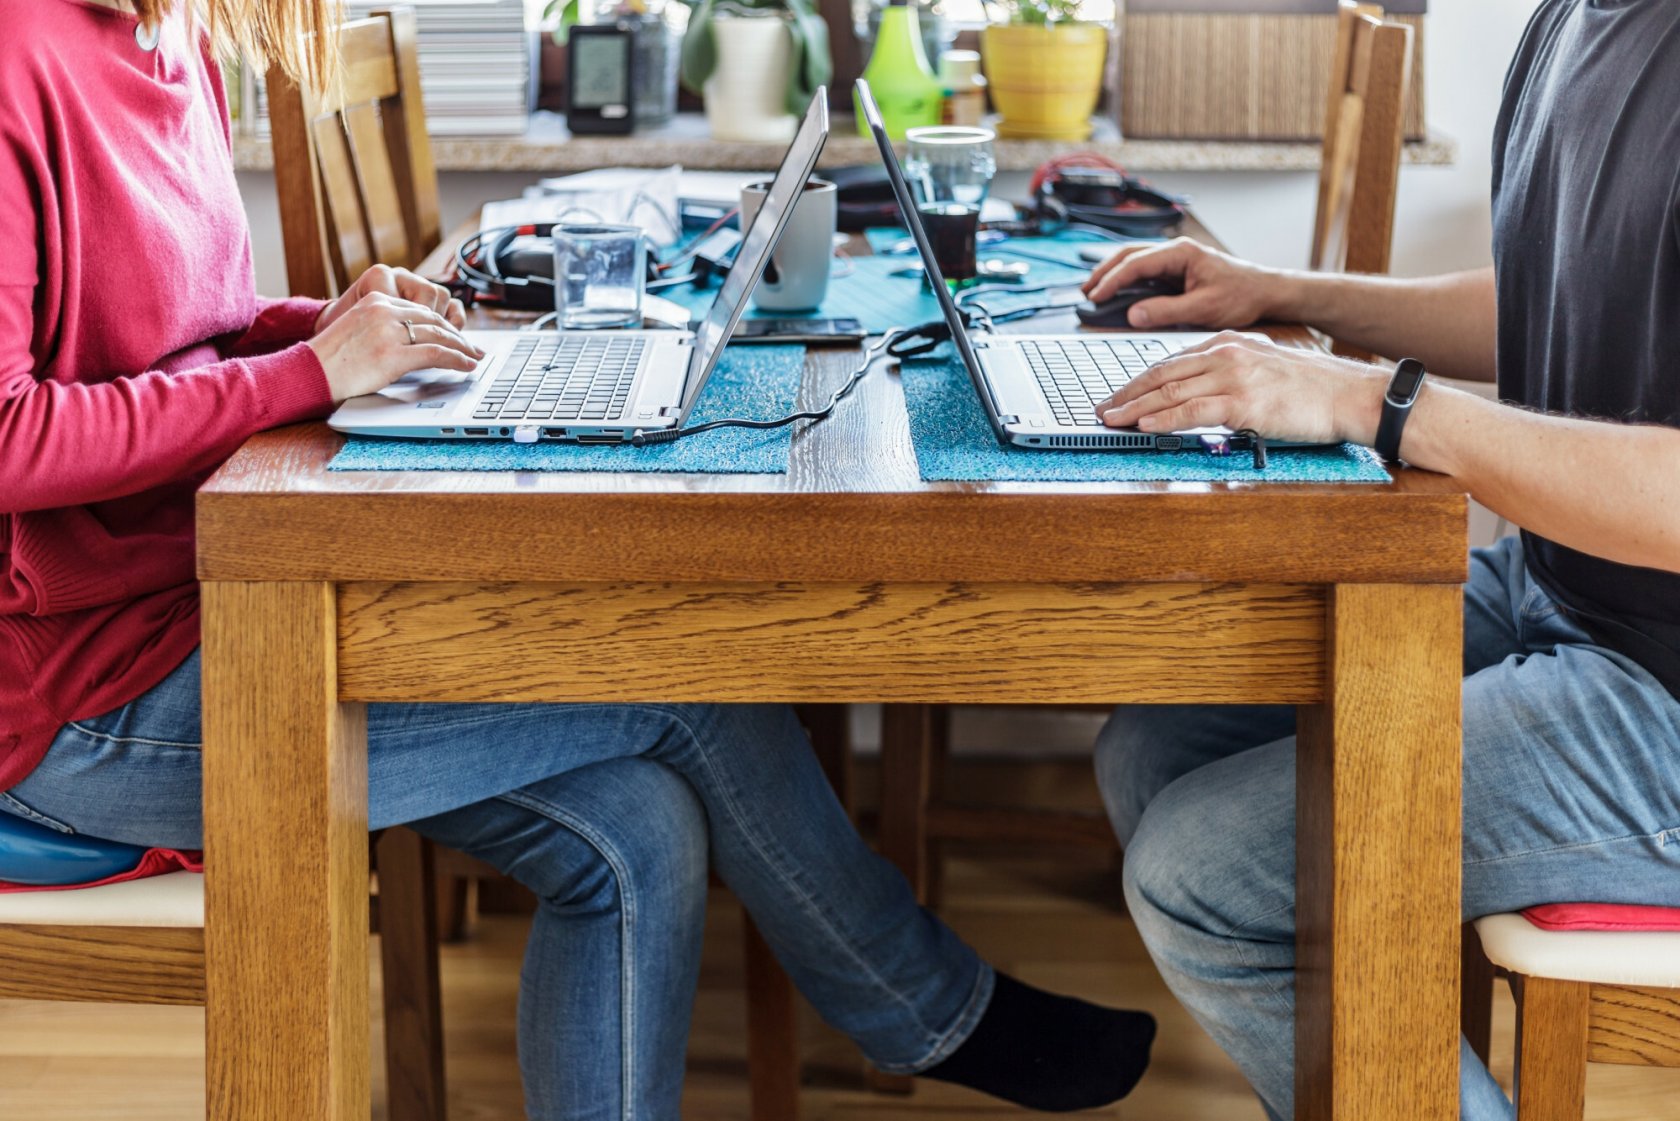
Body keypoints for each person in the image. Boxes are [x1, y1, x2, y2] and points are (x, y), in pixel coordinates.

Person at [0, 1, 1159, 1117]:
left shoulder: (171, 33)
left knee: (639, 830)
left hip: (215, 608)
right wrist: (304, 375)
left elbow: (170, 330)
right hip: (79, 700)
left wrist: (324, 326)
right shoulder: (17, 52)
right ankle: (929, 1011)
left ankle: (925, 1006)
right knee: (687, 679)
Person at [1081, 2, 1680, 1118]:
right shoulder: (1576, 21)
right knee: (1159, 742)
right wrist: (1282, 296)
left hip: (1664, 689)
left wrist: (1375, 403)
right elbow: (1550, 299)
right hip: (1567, 589)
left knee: (1203, 876)